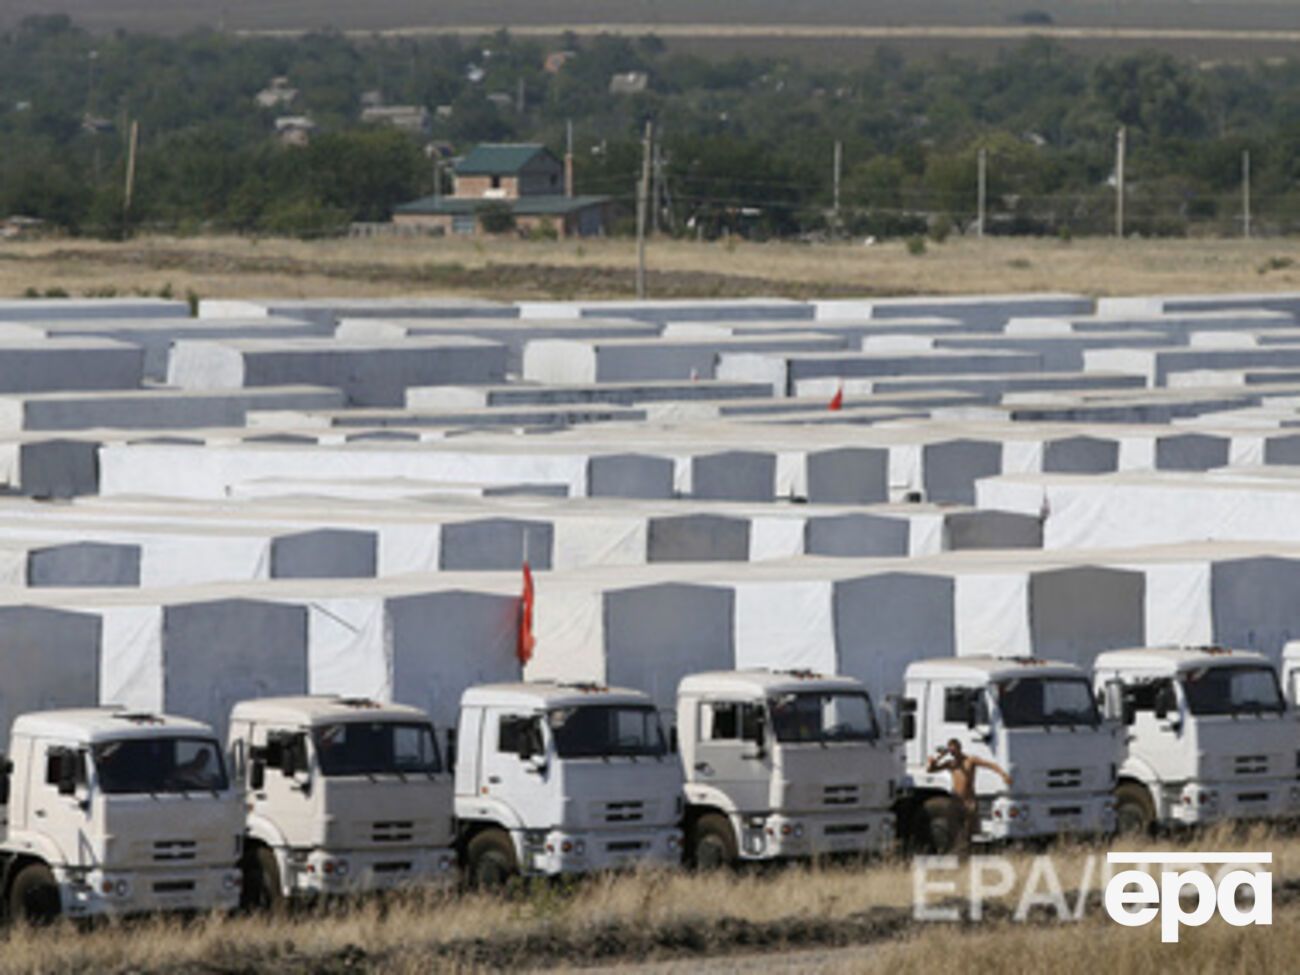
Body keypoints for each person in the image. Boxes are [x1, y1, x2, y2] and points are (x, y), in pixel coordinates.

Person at [926, 738, 1011, 851]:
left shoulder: (970, 760)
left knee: (969, 829)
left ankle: (969, 849)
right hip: (956, 800)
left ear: (959, 748)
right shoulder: (951, 764)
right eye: (950, 751)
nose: (952, 753)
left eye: (954, 749)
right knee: (954, 828)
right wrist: (937, 758)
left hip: (969, 800)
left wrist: (1003, 774)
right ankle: (956, 849)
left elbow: (990, 765)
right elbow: (930, 770)